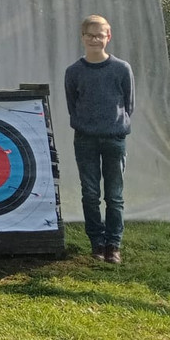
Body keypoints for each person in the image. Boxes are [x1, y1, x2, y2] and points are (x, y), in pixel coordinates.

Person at [64, 14, 134, 265]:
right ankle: (97, 242)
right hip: (85, 139)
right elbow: (73, 105)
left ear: (108, 36)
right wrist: (86, 125)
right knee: (90, 193)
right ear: (83, 37)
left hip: (114, 139)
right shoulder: (74, 72)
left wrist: (116, 126)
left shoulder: (121, 69)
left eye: (100, 35)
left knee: (114, 195)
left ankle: (113, 245)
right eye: (90, 35)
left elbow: (128, 103)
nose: (95, 39)